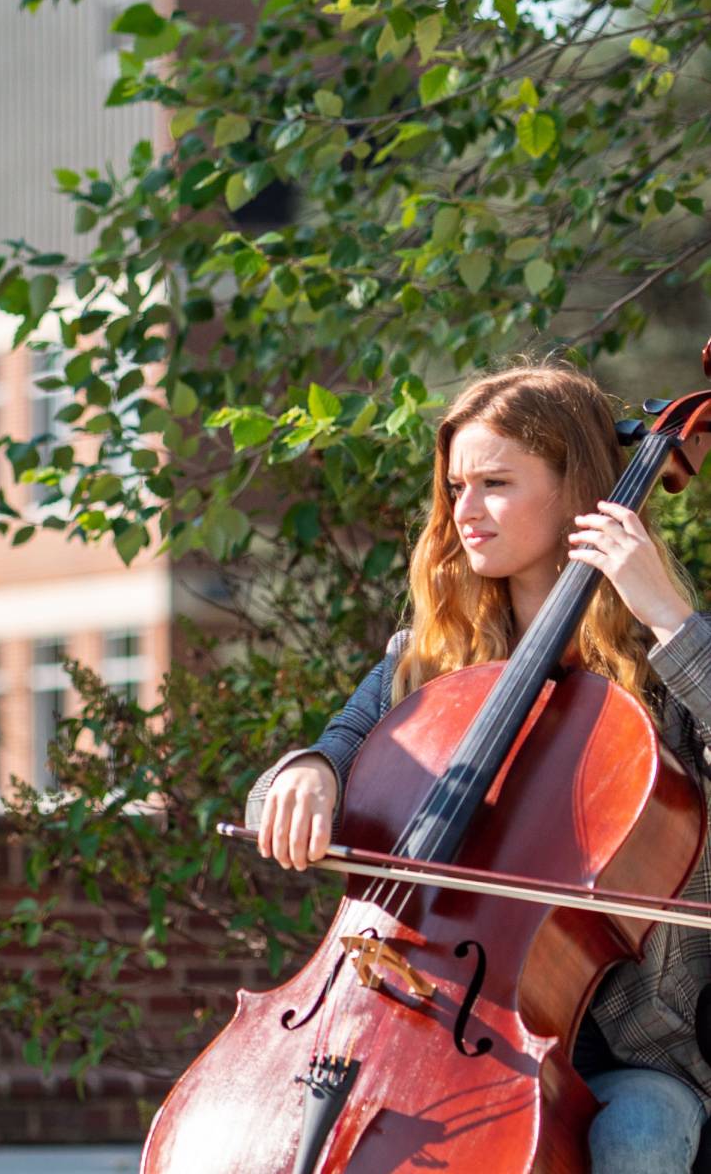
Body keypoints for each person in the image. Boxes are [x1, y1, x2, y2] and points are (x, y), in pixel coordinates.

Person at [249, 361, 711, 1174]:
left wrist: (668, 615)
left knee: (636, 1140)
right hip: (421, 1013)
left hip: (627, 1053)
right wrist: (306, 772)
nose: (464, 511)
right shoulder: (428, 659)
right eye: (456, 485)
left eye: (495, 483)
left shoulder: (666, 663)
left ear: (577, 491)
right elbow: (333, 748)